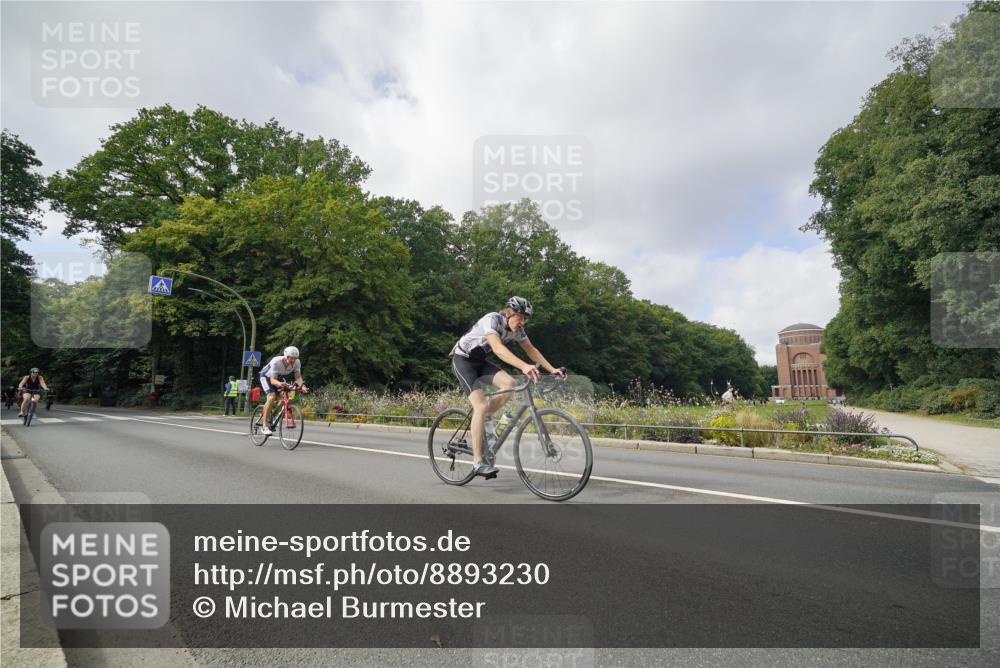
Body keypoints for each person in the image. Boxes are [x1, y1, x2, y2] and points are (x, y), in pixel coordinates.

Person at [450, 297, 564, 477]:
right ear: (509, 313)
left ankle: (486, 420)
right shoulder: (493, 319)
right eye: (520, 317)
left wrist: (552, 369)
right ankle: (478, 463)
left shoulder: (518, 330)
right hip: (463, 361)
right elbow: (497, 348)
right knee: (479, 405)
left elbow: (531, 350)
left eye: (526, 319)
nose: (522, 322)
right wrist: (524, 366)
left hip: (480, 363)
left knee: (510, 384)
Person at [259, 346, 308, 435]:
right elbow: (273, 380)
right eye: (291, 358)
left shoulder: (297, 362)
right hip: (266, 377)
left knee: (286, 398)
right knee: (271, 397)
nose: (293, 360)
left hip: (280, 377)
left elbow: (298, 377)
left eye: (295, 358)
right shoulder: (276, 362)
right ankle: (264, 426)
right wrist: (280, 384)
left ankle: (273, 416)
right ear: (286, 356)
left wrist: (302, 386)